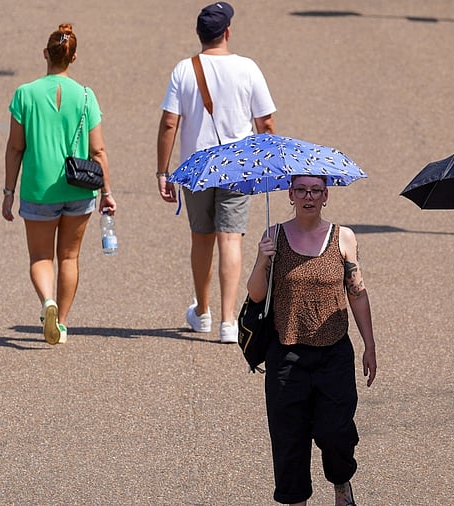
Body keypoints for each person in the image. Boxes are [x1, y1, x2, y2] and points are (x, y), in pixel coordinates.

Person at [246, 175, 377, 506]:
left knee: (336, 433)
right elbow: (256, 295)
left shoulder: (343, 238)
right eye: (301, 190)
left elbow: (357, 293)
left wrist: (369, 346)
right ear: (290, 194)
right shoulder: (273, 236)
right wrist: (263, 258)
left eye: (315, 190)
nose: (308, 196)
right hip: (286, 356)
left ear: (325, 195)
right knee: (290, 439)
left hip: (334, 354)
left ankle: (341, 482)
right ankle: (296, 500)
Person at [157, 2, 276, 344]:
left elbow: (169, 122)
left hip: (196, 166)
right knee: (231, 238)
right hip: (237, 165)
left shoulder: (184, 69)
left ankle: (203, 312)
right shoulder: (248, 68)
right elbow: (265, 122)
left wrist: (162, 172)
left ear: (199, 34)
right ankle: (227, 321)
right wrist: (264, 163)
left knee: (201, 237)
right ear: (227, 32)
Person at [2, 23, 116, 345]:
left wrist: (8, 192)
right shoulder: (85, 95)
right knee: (69, 257)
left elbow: (15, 147)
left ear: (45, 54)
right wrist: (106, 192)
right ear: (74, 57)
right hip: (79, 188)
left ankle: (46, 303)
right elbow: (99, 150)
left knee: (40, 258)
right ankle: (62, 324)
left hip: (39, 188)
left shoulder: (25, 94)